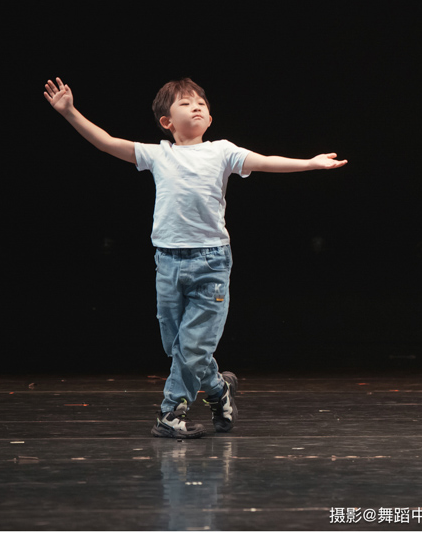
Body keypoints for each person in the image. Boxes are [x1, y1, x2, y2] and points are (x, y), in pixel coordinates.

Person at [42, 76, 348, 438]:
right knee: (176, 347)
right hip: (168, 263)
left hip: (210, 263)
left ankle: (171, 413)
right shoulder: (159, 153)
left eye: (201, 103)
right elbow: (107, 143)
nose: (197, 107)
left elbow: (266, 161)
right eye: (186, 104)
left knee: (191, 348)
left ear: (210, 117)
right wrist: (70, 112)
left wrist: (310, 163)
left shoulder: (221, 151)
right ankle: (219, 389)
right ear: (167, 121)